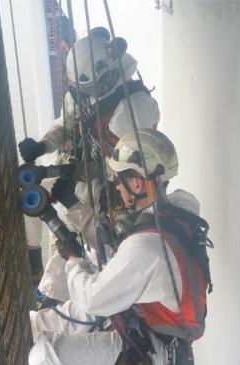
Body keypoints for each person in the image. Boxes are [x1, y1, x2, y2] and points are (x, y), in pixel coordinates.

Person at [28, 129, 211, 365]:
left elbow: (92, 297)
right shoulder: (175, 213)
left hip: (150, 359)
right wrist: (73, 206)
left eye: (120, 180)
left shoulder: (147, 248)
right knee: (52, 330)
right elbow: (117, 249)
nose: (116, 186)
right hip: (150, 334)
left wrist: (73, 259)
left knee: (45, 361)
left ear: (138, 183)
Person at [21, 28, 160, 289]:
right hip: (86, 169)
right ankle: (33, 260)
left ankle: (66, 282)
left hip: (115, 187)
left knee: (102, 236)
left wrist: (76, 193)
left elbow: (129, 176)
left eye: (86, 90)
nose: (82, 96)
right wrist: (42, 146)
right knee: (34, 191)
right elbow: (65, 124)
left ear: (106, 78)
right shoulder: (82, 94)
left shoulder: (131, 111)